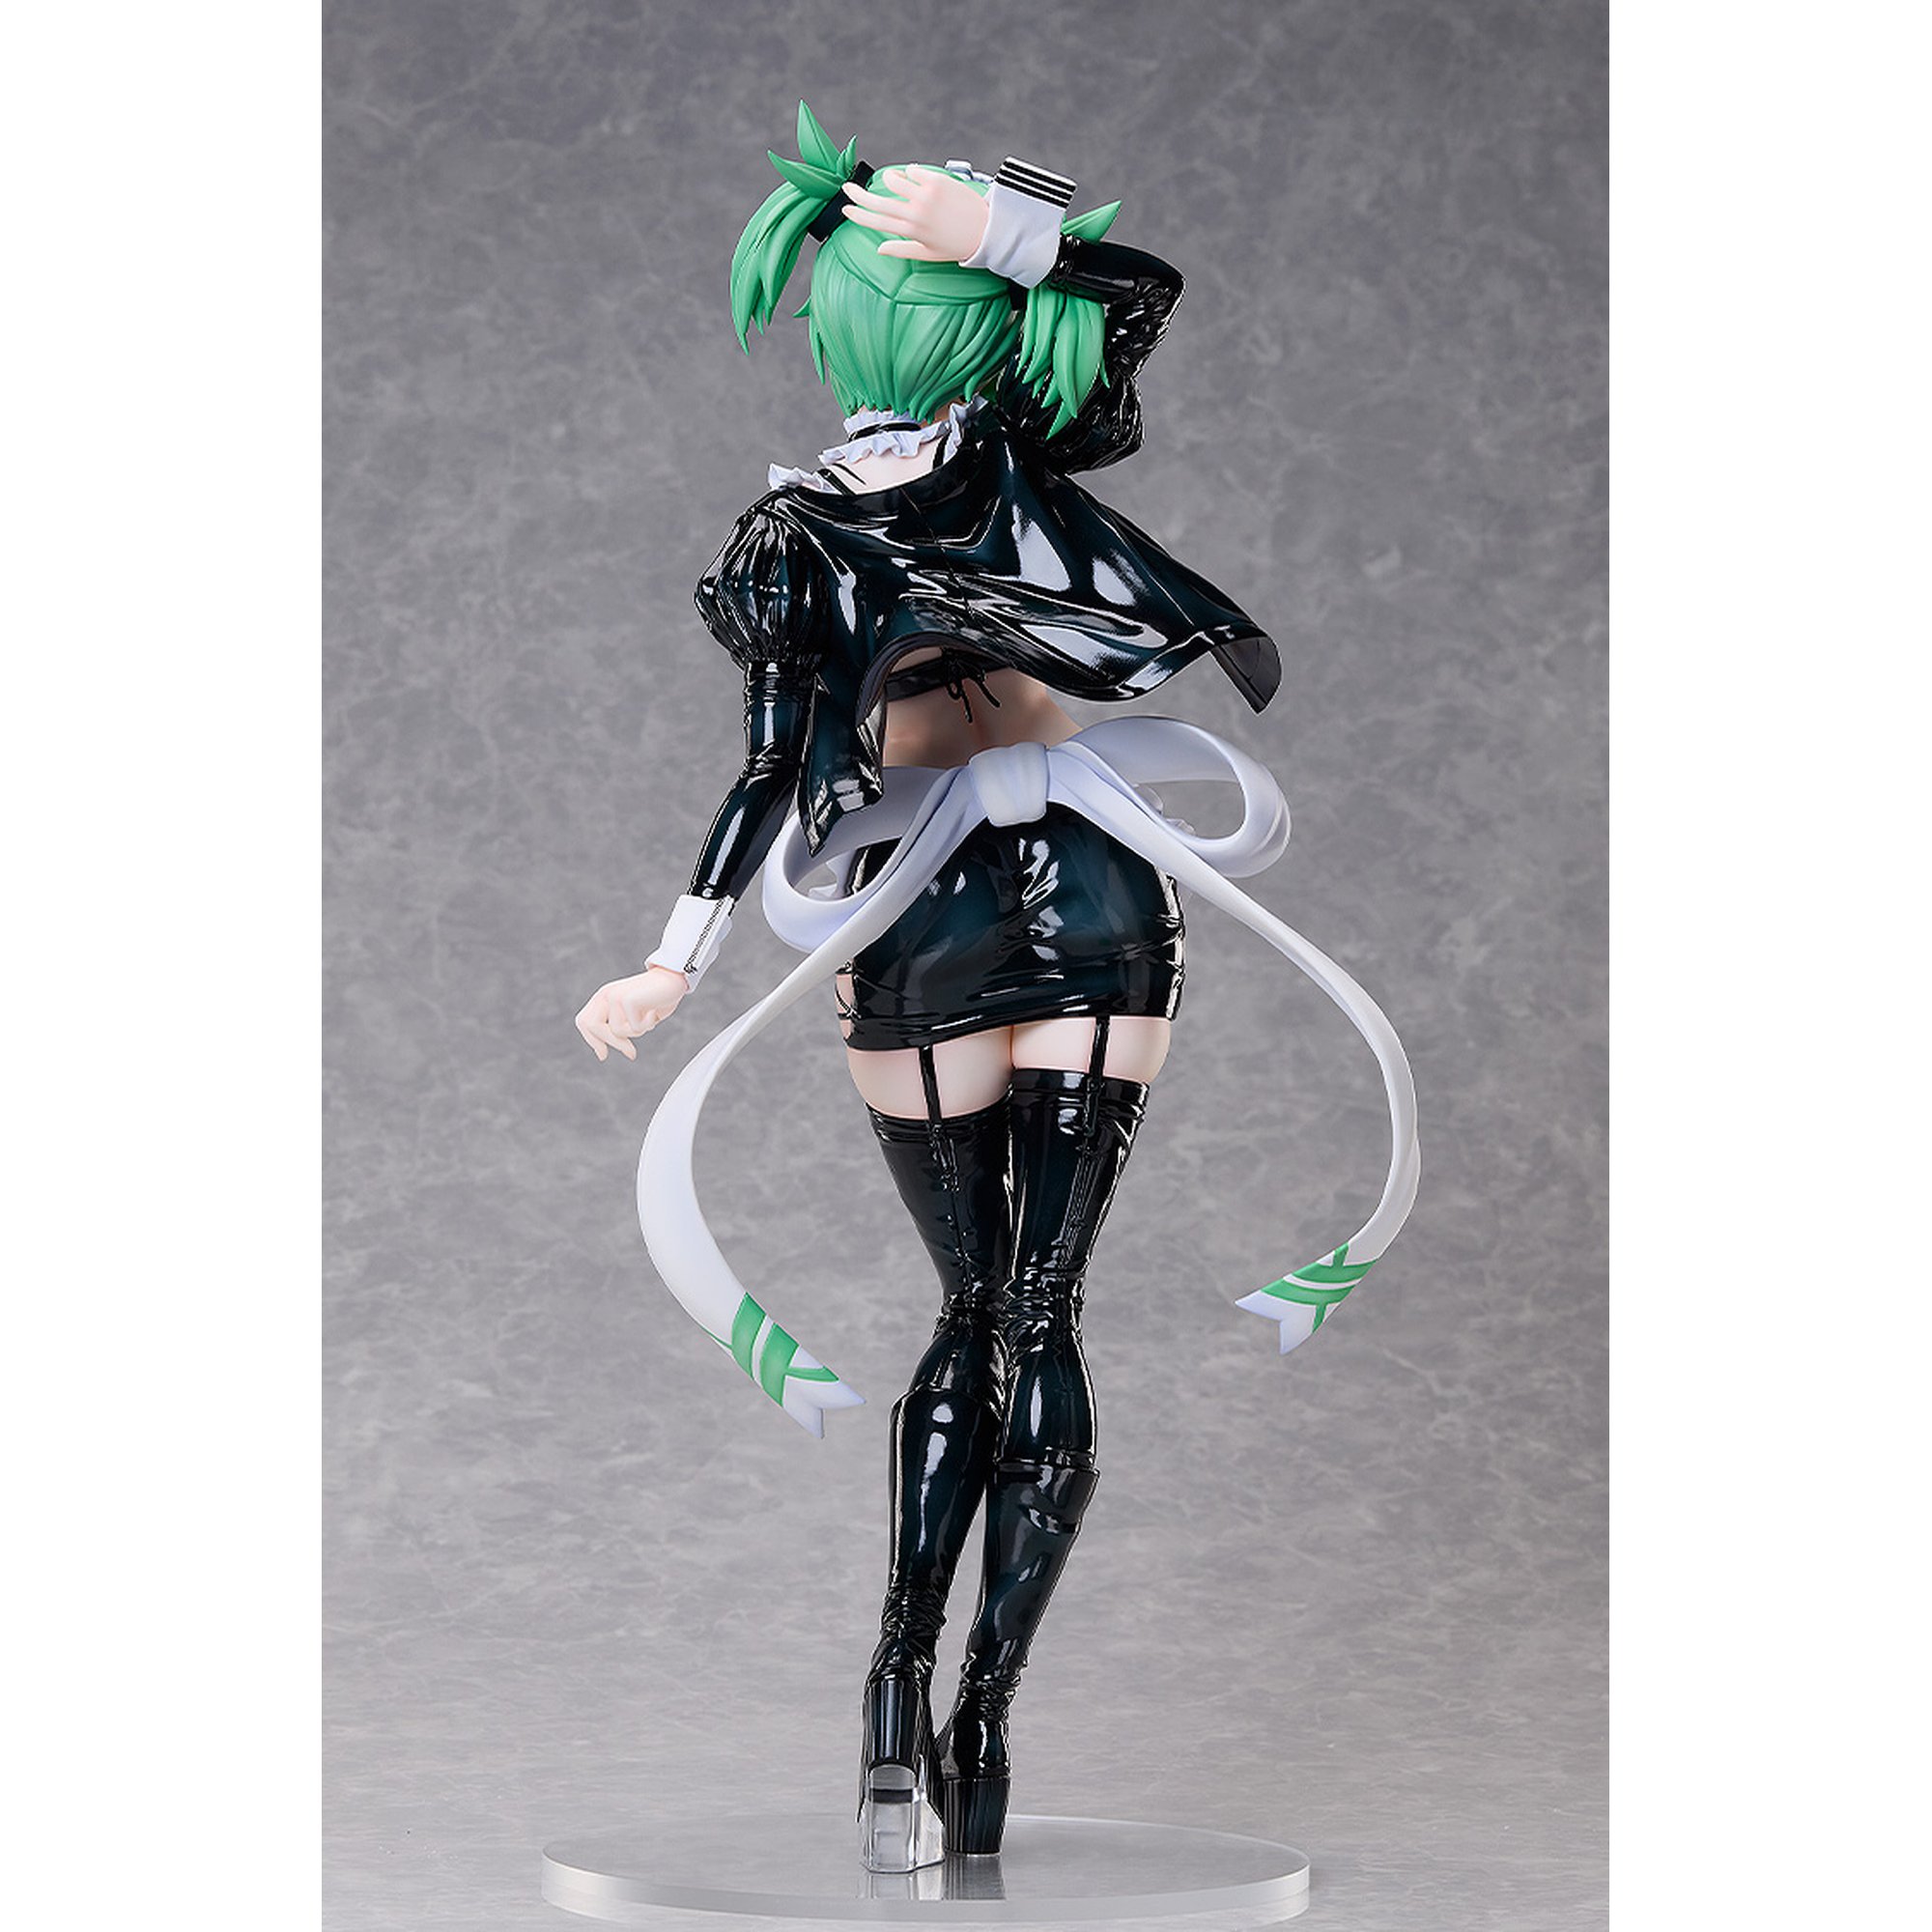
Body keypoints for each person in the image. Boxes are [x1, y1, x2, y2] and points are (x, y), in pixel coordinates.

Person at [574, 104, 1419, 1872]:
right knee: (1033, 1311)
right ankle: (976, 1719)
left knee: (991, 1305)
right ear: (979, 324)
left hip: (941, 917)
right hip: (1087, 896)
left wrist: (674, 959)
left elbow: (773, 766)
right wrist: (1015, 243)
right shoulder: (1017, 461)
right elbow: (1130, 296)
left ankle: (903, 1693)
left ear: (838, 325)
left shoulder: (807, 528)